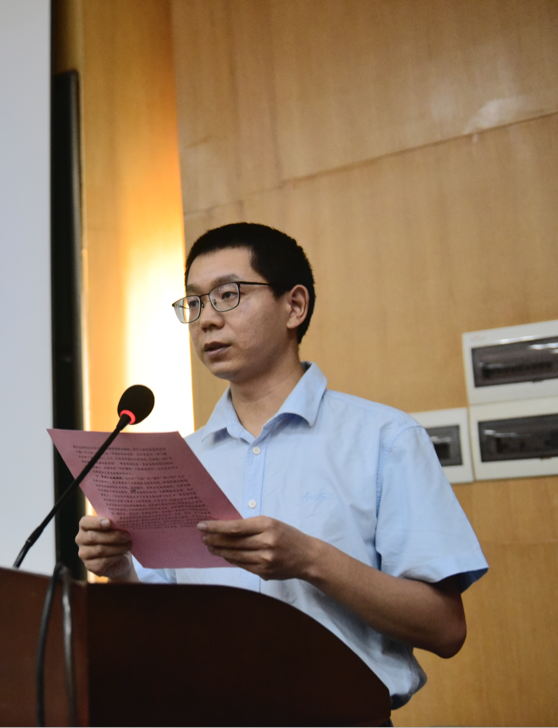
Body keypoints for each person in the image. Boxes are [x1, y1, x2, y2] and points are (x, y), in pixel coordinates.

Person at [75, 223, 488, 709]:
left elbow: (445, 629)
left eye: (227, 295)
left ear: (294, 306)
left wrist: (309, 559)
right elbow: (162, 627)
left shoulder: (384, 438)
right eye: (195, 302)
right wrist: (120, 571)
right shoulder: (181, 462)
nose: (207, 320)